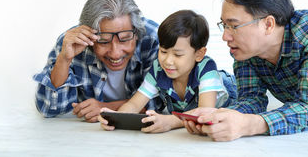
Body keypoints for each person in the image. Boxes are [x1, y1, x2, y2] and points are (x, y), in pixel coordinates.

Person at [184, 0, 308, 141]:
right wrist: (216, 116)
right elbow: (252, 99)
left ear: (268, 24)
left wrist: (247, 125)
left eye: (234, 26)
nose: (225, 37)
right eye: (224, 25)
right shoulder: (245, 50)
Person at [99, 10, 237, 133]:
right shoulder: (159, 68)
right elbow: (134, 104)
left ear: (199, 54)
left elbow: (205, 112)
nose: (168, 61)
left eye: (177, 55)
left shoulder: (206, 68)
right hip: (187, 114)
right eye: (163, 51)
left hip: (232, 96)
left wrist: (170, 122)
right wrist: (116, 118)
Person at [33, 0, 161, 122]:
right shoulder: (72, 42)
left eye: (124, 39)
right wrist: (64, 60)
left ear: (136, 32)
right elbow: (49, 108)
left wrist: (106, 108)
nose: (115, 53)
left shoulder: (153, 39)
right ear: (90, 38)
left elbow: (160, 102)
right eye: (103, 41)